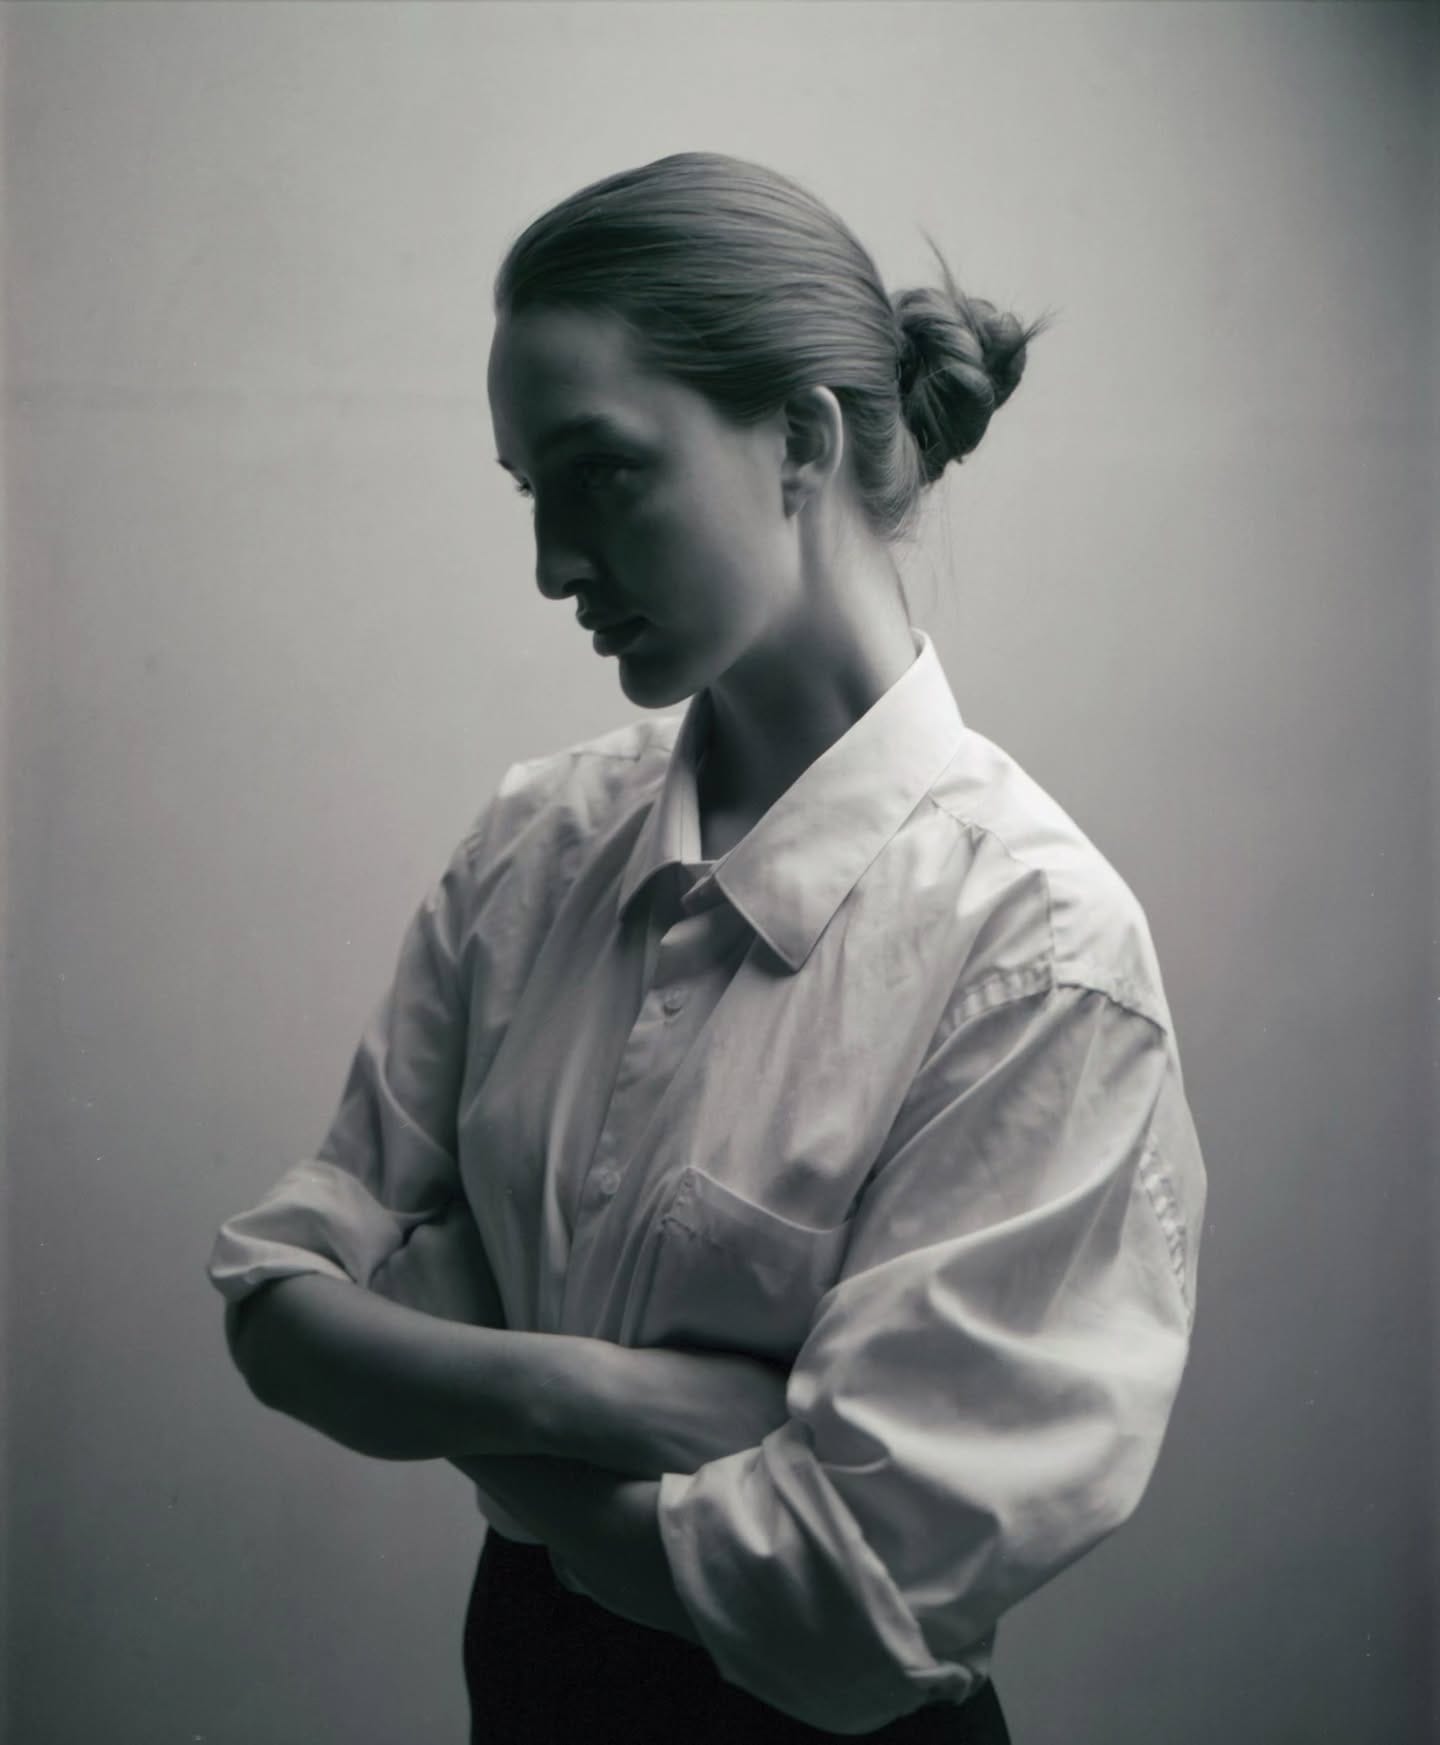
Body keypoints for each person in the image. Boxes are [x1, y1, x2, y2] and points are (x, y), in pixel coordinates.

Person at [207, 151, 1207, 1744]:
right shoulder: (531, 852)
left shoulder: (1034, 953)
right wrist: (602, 1395)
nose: (551, 566)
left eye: (599, 473)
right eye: (532, 491)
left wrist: (449, 1360)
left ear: (802, 440)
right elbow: (275, 1295)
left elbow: (847, 1581)